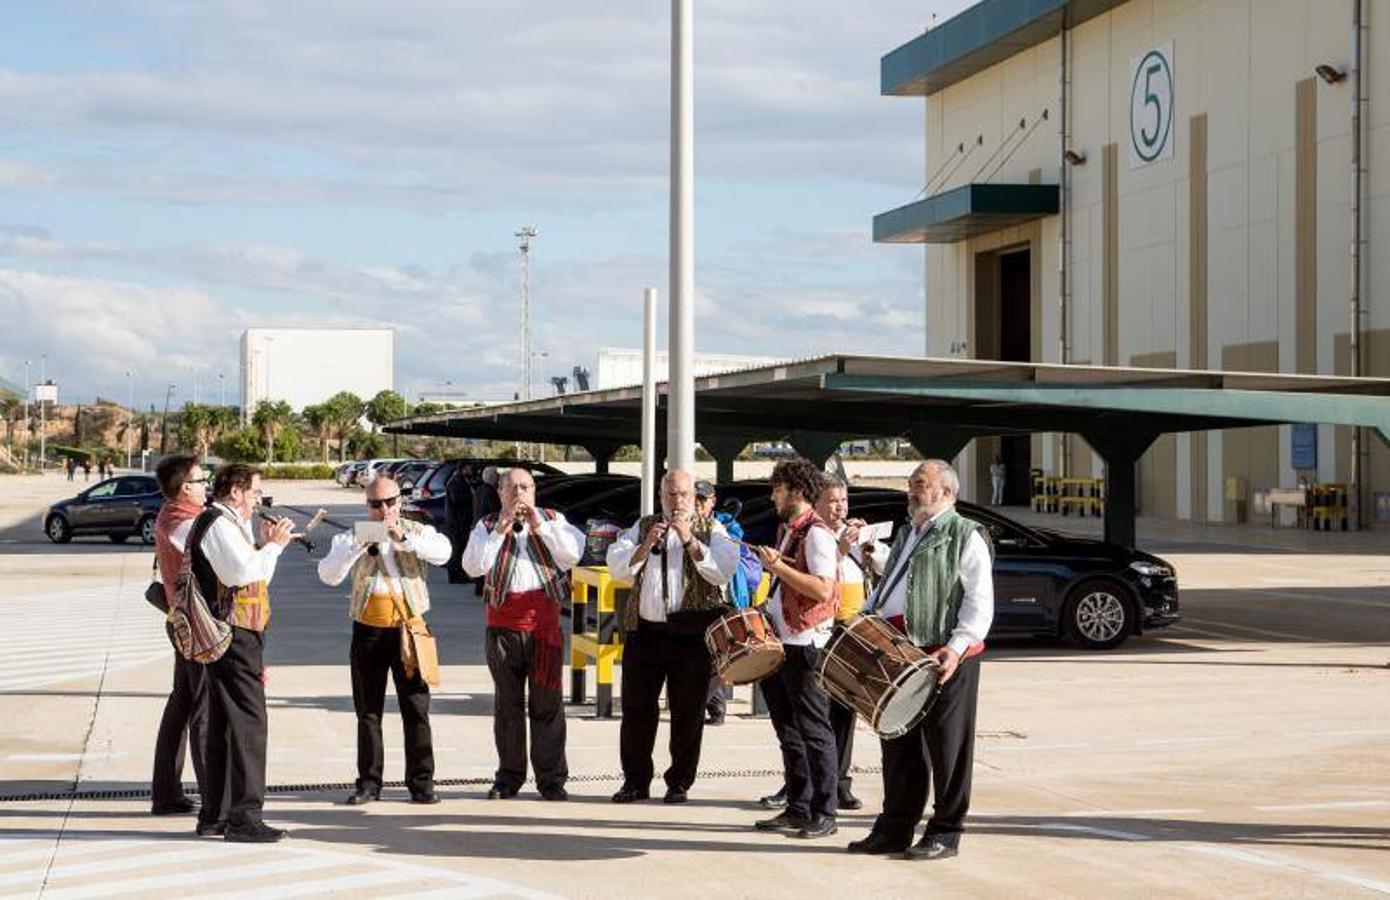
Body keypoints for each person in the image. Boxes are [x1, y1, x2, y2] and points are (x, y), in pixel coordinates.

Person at [849, 459, 994, 861]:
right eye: (912, 484)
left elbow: (979, 602)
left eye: (921, 484)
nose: (912, 490)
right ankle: (895, 827)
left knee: (948, 747)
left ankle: (946, 831)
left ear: (946, 492)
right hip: (903, 654)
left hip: (944, 654)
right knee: (898, 744)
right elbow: (903, 582)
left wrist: (958, 645)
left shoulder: (965, 535)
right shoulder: (910, 531)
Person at [318, 474, 452, 806]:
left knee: (416, 708)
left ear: (400, 502)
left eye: (390, 502)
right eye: (376, 504)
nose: (384, 510)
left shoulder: (416, 530)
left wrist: (403, 537)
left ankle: (422, 783)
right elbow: (328, 574)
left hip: (409, 628)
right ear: (367, 505)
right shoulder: (352, 535)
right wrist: (358, 545)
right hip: (368, 630)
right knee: (368, 711)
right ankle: (368, 782)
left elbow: (443, 552)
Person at [606, 469, 738, 805]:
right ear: (660, 495)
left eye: (682, 495)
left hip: (690, 634)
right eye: (669, 494)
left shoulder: (713, 529)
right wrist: (646, 544)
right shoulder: (643, 525)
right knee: (637, 710)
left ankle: (679, 781)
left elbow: (722, 570)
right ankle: (635, 781)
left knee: (688, 711)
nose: (676, 501)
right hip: (645, 632)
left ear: (694, 497)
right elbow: (618, 567)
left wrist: (691, 540)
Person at [462, 467, 584, 801]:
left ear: (534, 491)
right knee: (508, 707)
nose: (519, 494)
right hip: (502, 627)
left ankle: (551, 779)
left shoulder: (553, 519)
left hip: (543, 628)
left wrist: (539, 526)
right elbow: (473, 567)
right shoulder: (486, 525)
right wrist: (499, 531)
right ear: (500, 493)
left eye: (525, 487)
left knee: (547, 706)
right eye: (512, 488)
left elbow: (572, 554)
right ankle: (509, 777)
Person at [188, 463, 295, 842]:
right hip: (233, 634)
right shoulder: (218, 524)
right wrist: (275, 547)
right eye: (254, 493)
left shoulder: (228, 523)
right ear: (235, 491)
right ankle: (245, 817)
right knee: (250, 724)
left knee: (225, 725)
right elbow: (241, 574)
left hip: (237, 632)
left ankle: (216, 814)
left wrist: (267, 547)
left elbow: (256, 576)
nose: (257, 501)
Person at [750, 458, 840, 839]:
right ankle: (798, 806)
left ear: (797, 491)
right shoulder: (791, 530)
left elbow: (822, 588)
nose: (773, 495)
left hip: (806, 644)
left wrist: (778, 568)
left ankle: (824, 811)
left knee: (815, 730)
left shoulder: (817, 534)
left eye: (778, 488)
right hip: (784, 640)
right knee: (788, 730)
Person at [815, 472, 890, 811]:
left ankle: (840, 783)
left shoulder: (853, 537)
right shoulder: (812, 535)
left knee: (845, 710)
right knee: (814, 712)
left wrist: (868, 547)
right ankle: (802, 783)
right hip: (822, 629)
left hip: (852, 628)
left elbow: (886, 567)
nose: (839, 508)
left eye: (843, 501)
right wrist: (840, 550)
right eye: (832, 501)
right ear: (817, 502)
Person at [150, 454, 210, 817]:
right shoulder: (178, 519)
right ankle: (213, 796)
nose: (207, 486)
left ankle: (167, 792)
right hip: (193, 625)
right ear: (185, 487)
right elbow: (210, 548)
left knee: (183, 704)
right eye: (202, 480)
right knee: (202, 710)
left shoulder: (177, 515)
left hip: (182, 621)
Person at [700, 481, 762, 725]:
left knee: (718, 656)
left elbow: (730, 548)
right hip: (699, 601)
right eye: (693, 498)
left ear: (712, 500)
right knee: (707, 656)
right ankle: (715, 709)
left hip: (725, 598)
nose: (697, 504)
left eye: (702, 499)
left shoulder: (726, 526)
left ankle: (707, 705)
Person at [443, 463, 476, 584]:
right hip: (457, 522)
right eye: (469, 468)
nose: (471, 470)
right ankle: (456, 576)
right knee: (457, 549)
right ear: (463, 469)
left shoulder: (460, 480)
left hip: (458, 521)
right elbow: (457, 499)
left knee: (460, 548)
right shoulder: (456, 482)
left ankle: (459, 574)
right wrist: (472, 496)